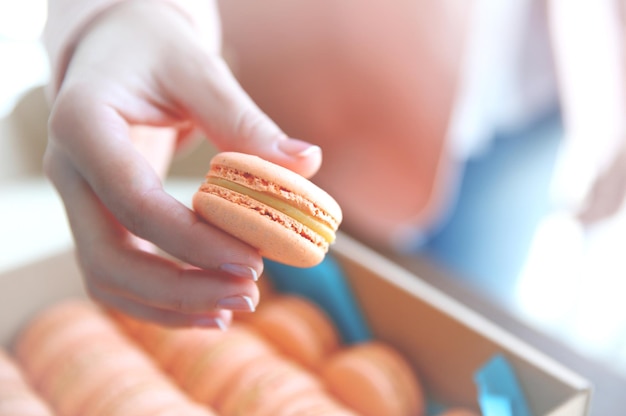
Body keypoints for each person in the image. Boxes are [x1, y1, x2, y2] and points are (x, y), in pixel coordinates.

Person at [41, 0, 626, 328]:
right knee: (292, 318)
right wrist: (117, 12)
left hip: (547, 96)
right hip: (325, 96)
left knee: (470, 321)